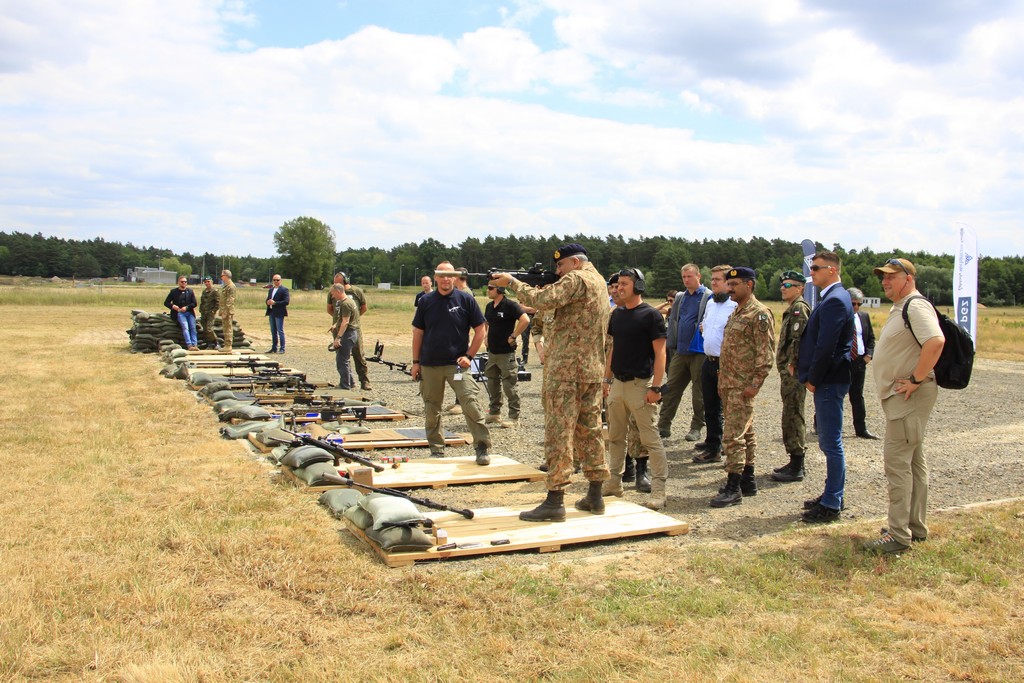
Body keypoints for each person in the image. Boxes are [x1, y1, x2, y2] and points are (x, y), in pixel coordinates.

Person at [490, 243, 609, 521]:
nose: (558, 271)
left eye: (560, 266)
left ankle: (555, 499)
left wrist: (512, 283)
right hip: (590, 369)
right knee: (589, 430)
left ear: (575, 263)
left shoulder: (577, 278)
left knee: (559, 433)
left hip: (566, 372)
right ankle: (595, 494)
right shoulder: (599, 280)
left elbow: (542, 302)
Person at [864, 258, 944, 554]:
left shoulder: (915, 305)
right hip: (904, 399)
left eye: (891, 277)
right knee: (913, 462)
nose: (885, 282)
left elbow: (935, 342)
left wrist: (915, 379)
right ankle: (914, 527)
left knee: (897, 465)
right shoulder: (903, 306)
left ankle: (898, 535)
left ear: (908, 278)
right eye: (883, 278)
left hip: (908, 398)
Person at [411, 261, 491, 465]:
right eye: (441, 275)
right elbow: (418, 333)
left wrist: (470, 356)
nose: (446, 279)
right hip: (430, 365)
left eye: (450, 275)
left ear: (455, 278)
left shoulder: (466, 299)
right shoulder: (426, 301)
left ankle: (482, 446)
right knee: (431, 409)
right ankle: (436, 450)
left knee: (470, 403)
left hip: (458, 365)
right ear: (435, 278)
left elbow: (480, 329)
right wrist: (415, 362)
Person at [601, 268, 668, 509]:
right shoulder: (617, 315)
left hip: (642, 385)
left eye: (625, 284)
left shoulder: (651, 315)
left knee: (650, 439)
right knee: (616, 437)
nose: (619, 288)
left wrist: (657, 387)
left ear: (638, 286)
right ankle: (614, 483)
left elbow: (661, 352)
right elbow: (613, 349)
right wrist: (606, 380)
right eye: (618, 284)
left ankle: (659, 490)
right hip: (618, 384)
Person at [710, 268, 775, 507]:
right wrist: (721, 379)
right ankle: (747, 480)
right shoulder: (736, 312)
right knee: (745, 433)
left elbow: (766, 355)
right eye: (729, 284)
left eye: (735, 284)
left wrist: (755, 384)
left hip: (742, 386)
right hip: (729, 383)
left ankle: (733, 487)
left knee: (733, 437)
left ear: (749, 285)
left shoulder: (758, 314)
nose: (729, 288)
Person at [797, 251, 854, 523]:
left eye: (817, 268)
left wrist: (813, 378)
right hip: (830, 378)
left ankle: (832, 502)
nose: (812, 273)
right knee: (830, 441)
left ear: (832, 270)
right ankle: (833, 494)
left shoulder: (834, 300)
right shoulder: (833, 297)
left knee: (831, 443)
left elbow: (825, 346)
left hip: (829, 379)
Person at [658, 264, 710, 441]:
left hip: (699, 351)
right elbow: (674, 321)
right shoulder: (681, 297)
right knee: (671, 388)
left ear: (699, 276)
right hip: (680, 351)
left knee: (699, 392)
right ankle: (663, 425)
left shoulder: (708, 297)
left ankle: (696, 427)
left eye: (689, 276)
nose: (686, 280)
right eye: (684, 277)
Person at [692, 265, 737, 464]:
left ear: (729, 283)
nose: (714, 283)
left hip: (725, 363)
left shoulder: (735, 306)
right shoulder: (711, 303)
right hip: (708, 360)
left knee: (728, 408)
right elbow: (705, 325)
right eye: (713, 279)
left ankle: (726, 445)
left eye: (718, 279)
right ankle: (713, 443)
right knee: (710, 406)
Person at [771, 270, 812, 482]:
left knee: (794, 415)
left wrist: (793, 366)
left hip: (793, 374)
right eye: (782, 285)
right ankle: (794, 461)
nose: (782, 288)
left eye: (787, 285)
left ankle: (797, 465)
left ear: (800, 288)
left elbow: (798, 341)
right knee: (790, 413)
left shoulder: (799, 309)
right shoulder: (792, 308)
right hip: (788, 374)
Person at [483, 284, 530, 425]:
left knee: (509, 385)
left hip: (506, 353)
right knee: (492, 383)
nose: (488, 290)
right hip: (492, 353)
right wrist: (486, 336)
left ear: (500, 290)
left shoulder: (510, 305)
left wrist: (514, 335)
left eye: (491, 288)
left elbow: (525, 320)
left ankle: (514, 417)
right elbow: (487, 322)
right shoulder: (489, 306)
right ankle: (494, 413)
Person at [327, 272, 371, 390]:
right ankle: (350, 382)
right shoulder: (335, 296)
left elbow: (363, 308)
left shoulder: (354, 293)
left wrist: (351, 320)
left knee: (358, 355)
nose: (336, 285)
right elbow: (330, 309)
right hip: (341, 328)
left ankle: (363, 381)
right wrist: (337, 323)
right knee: (343, 356)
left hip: (350, 329)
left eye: (338, 283)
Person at [848, 287, 879, 439]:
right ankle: (821, 425)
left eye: (859, 304)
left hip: (860, 361)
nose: (856, 307)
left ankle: (861, 429)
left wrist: (869, 355)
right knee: (835, 395)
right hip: (843, 362)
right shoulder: (839, 317)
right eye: (853, 303)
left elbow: (871, 338)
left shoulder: (864, 317)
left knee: (857, 396)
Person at [329, 284, 360, 389]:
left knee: (342, 361)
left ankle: (345, 385)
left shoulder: (345, 304)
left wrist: (338, 338)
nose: (333, 296)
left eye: (333, 293)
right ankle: (351, 382)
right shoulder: (350, 301)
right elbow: (343, 318)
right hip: (352, 333)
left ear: (338, 292)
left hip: (348, 334)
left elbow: (346, 322)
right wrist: (335, 325)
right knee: (345, 359)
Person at [164, 275, 199, 350]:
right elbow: (166, 302)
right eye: (182, 282)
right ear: (178, 282)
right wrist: (173, 306)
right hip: (179, 313)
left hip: (189, 313)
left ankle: (195, 345)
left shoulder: (190, 291)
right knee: (185, 327)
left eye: (185, 282)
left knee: (193, 328)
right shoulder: (173, 292)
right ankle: (189, 345)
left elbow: (194, 303)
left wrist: (186, 307)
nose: (184, 283)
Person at [265, 274, 290, 354]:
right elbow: (268, 299)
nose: (276, 281)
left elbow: (286, 301)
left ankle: (282, 348)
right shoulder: (271, 290)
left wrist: (275, 303)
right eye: (274, 280)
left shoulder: (284, 290)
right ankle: (274, 348)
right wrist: (268, 302)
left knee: (280, 330)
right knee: (273, 331)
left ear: (280, 280)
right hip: (271, 312)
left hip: (279, 313)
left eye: (277, 280)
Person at [198, 276, 220, 348]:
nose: (207, 283)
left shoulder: (215, 291)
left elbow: (218, 302)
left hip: (210, 313)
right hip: (204, 313)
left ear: (211, 282)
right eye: (205, 282)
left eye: (208, 282)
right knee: (205, 329)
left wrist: (214, 311)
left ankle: (216, 342)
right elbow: (203, 302)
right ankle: (210, 343)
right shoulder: (204, 291)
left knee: (209, 329)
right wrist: (201, 310)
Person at [218, 269, 236, 352]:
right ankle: (226, 345)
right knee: (225, 328)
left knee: (228, 328)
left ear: (226, 276)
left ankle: (228, 345)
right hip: (224, 310)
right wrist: (221, 310)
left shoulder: (231, 286)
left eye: (222, 275)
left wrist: (226, 312)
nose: (221, 277)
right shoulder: (226, 286)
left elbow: (230, 300)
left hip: (228, 311)